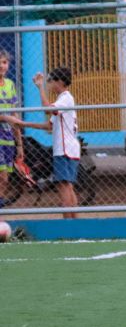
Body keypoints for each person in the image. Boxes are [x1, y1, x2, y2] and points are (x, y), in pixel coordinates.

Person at [21, 67, 79, 219]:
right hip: (69, 148)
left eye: (50, 82)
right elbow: (49, 125)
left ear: (59, 81)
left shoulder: (65, 98)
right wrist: (23, 124)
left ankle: (68, 224)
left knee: (63, 186)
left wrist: (40, 88)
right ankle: (75, 222)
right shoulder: (63, 100)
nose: (49, 85)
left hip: (65, 149)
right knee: (67, 186)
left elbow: (47, 110)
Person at [0, 50, 24, 210]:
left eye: (4, 62)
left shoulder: (10, 85)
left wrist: (19, 144)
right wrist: (6, 117)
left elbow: (15, 116)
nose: (2, 66)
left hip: (7, 138)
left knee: (5, 179)